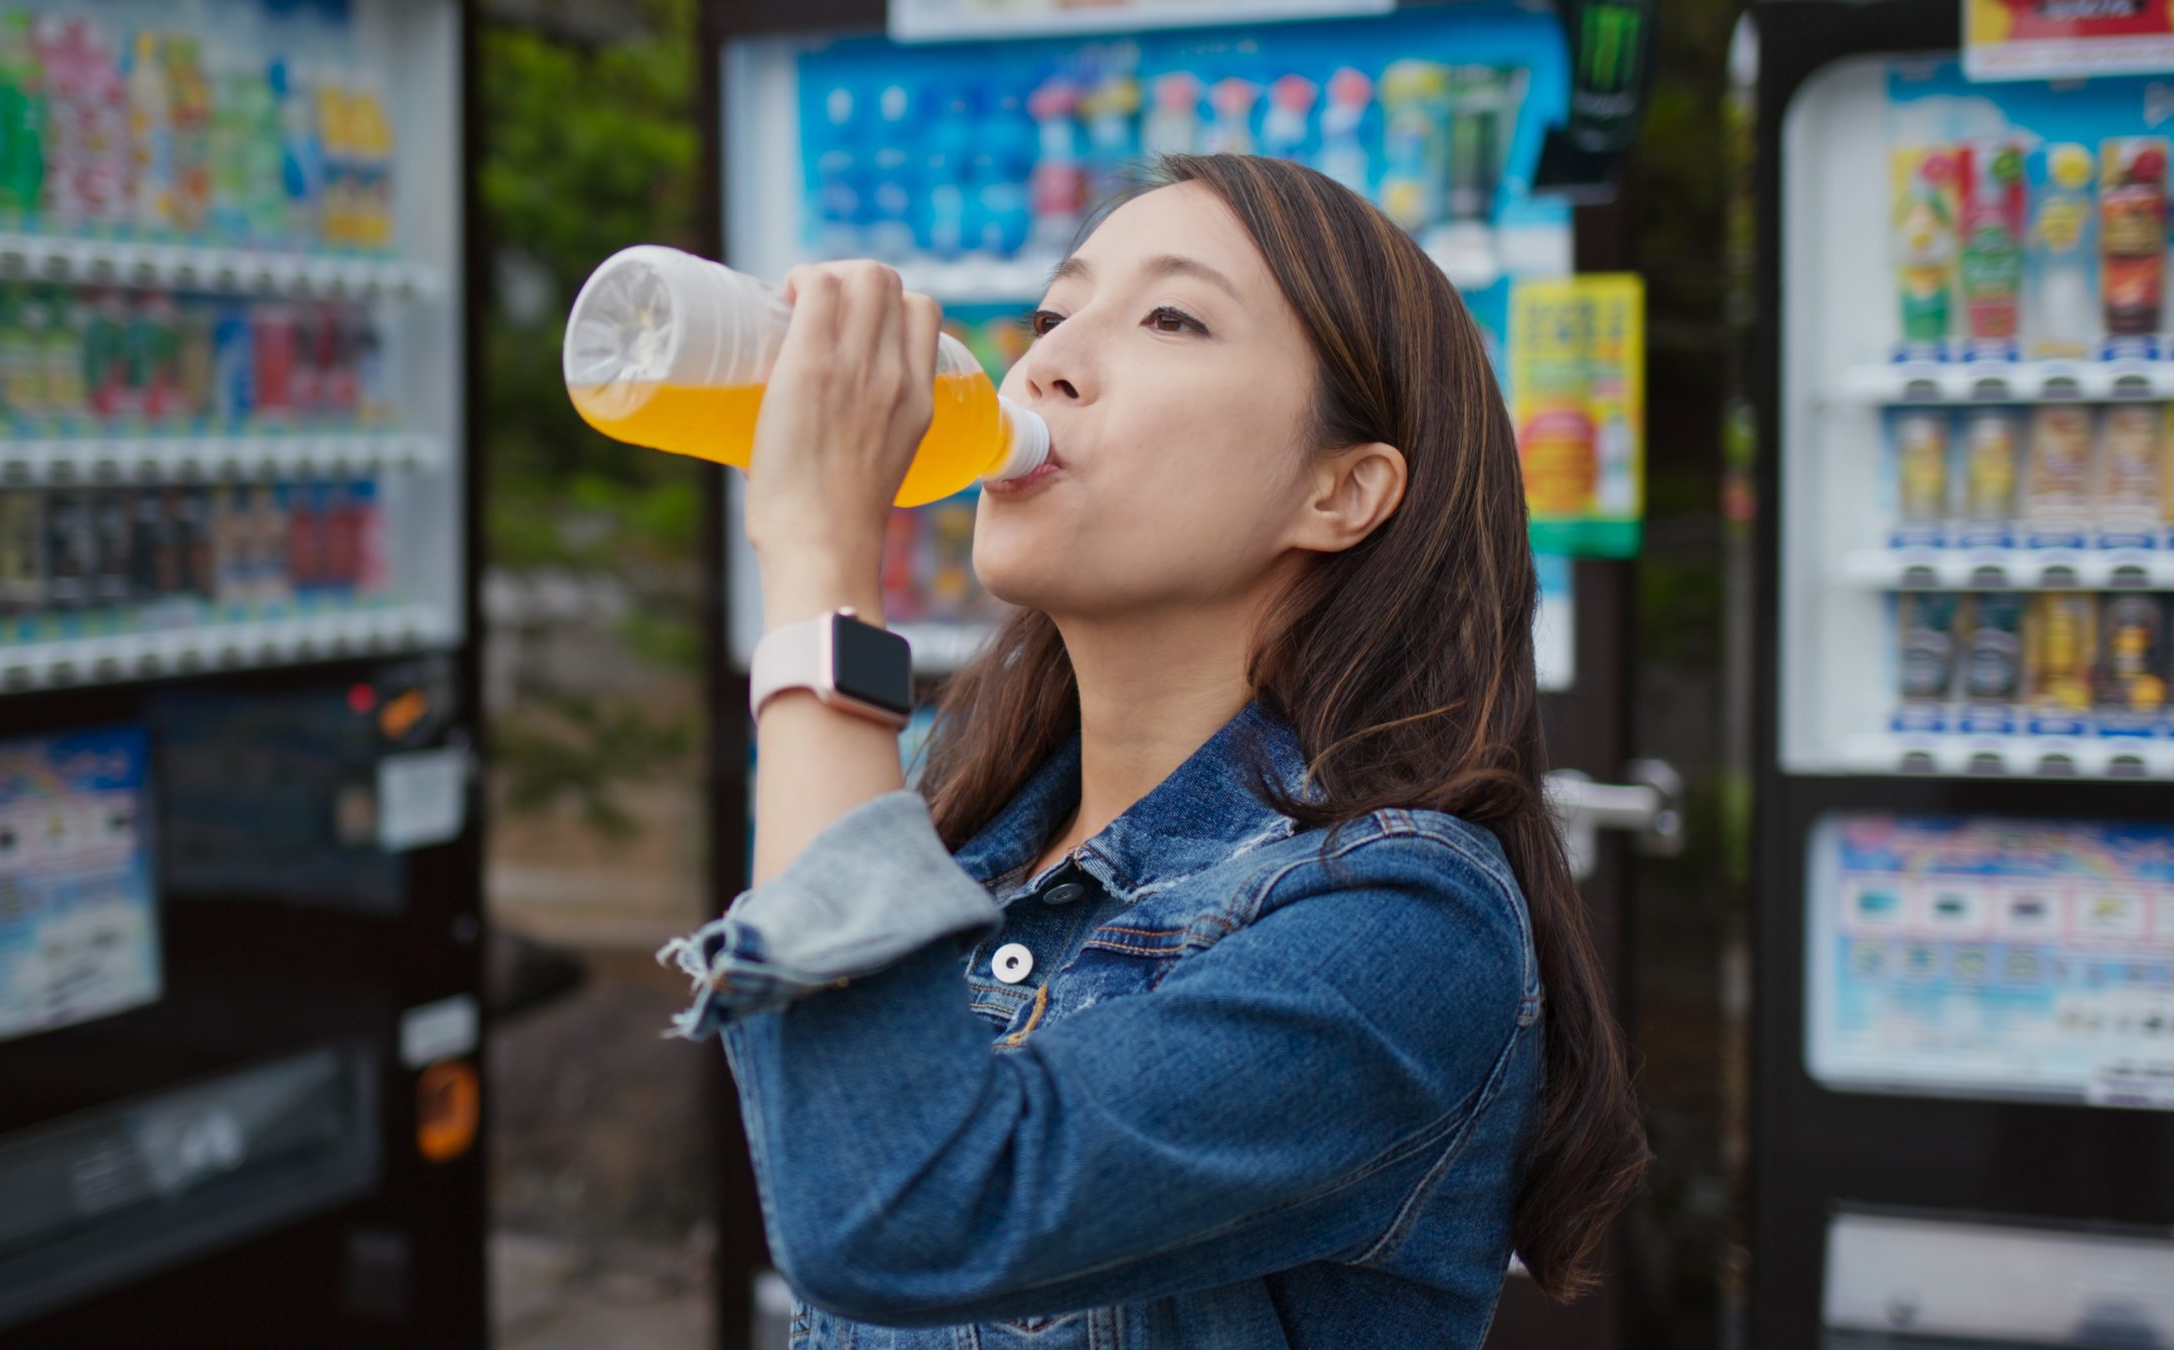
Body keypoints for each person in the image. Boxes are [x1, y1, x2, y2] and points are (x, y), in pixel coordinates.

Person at [656, 152, 1648, 1348]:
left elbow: (902, 1212)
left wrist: (819, 571)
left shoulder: (1405, 920)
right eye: (1052, 315)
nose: (1045, 364)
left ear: (1342, 492)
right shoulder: (967, 854)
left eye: (1171, 317)